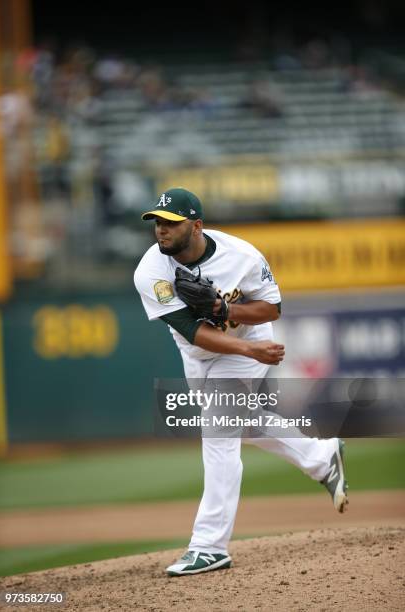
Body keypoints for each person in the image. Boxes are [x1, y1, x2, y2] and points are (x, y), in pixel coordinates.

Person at [133, 188, 348, 576]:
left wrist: (227, 310)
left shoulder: (242, 255)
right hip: (200, 353)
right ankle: (322, 457)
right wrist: (246, 350)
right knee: (240, 423)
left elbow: (272, 307)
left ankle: (210, 545)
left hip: (248, 339)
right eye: (157, 223)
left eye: (171, 223)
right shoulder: (150, 272)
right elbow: (191, 330)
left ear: (196, 226)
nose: (161, 230)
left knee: (218, 433)